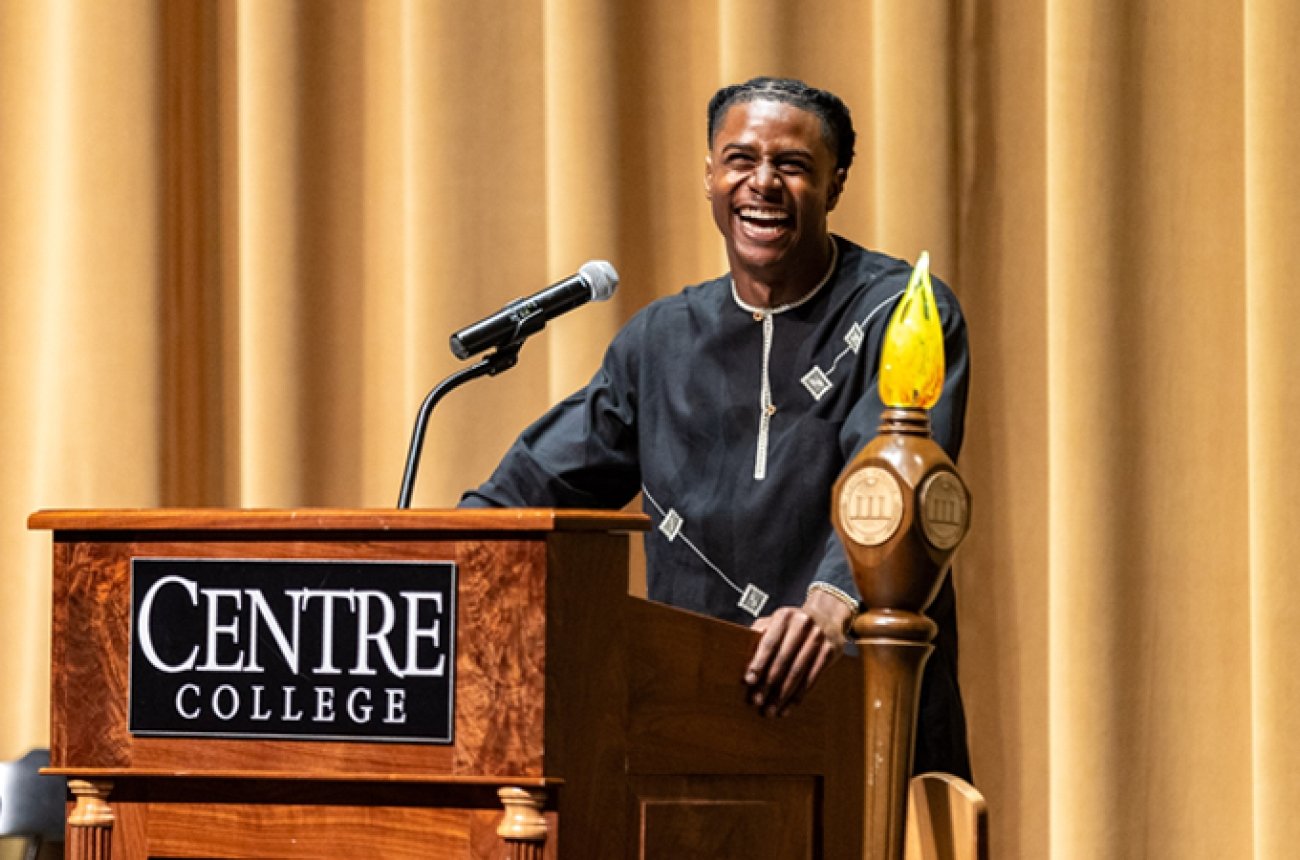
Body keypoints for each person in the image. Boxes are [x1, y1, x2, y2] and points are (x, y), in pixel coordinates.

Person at [462, 77, 971, 778]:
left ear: (835, 184)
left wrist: (826, 609)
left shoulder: (899, 315)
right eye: (740, 159)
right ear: (708, 176)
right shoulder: (660, 341)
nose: (762, 183)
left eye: (792, 166)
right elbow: (521, 495)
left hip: (861, 720)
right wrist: (430, 573)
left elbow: (897, 484)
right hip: (696, 733)